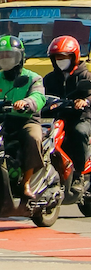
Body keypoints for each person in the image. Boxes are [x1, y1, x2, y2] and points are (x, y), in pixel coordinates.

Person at [0, 35, 47, 198]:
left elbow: (39, 97)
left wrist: (26, 103)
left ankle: (26, 183)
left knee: (33, 137)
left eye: (9, 55)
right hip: (0, 122)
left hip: (26, 120)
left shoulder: (33, 78)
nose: (5, 59)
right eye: (1, 56)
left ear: (20, 57)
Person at [43, 35, 91, 173]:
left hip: (81, 117)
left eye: (64, 57)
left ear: (73, 57)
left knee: (79, 132)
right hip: (56, 118)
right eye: (57, 58)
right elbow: (41, 96)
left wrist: (84, 101)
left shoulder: (86, 76)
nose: (60, 61)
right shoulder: (50, 79)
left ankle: (79, 173)